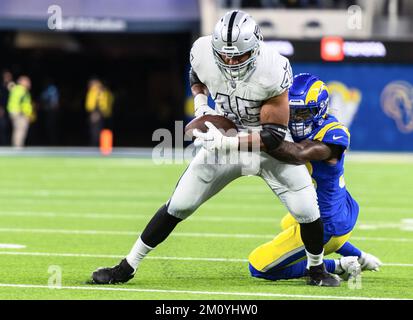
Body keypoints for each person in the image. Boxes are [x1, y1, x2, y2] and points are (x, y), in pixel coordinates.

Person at [91, 10, 339, 287]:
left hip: (263, 143)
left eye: (240, 56)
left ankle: (316, 269)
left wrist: (229, 141)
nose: (232, 62)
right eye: (225, 55)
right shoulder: (203, 51)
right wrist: (200, 105)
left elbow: (273, 136)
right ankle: (127, 266)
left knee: (307, 208)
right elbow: (196, 75)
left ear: (255, 48)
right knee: (179, 204)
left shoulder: (273, 68)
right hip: (223, 134)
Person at [248, 73, 382, 282]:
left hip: (329, 224)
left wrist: (253, 141)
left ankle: (335, 265)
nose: (296, 120)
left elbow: (298, 153)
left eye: (303, 113)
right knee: (289, 220)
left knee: (258, 265)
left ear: (319, 110)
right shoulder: (307, 125)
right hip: (336, 212)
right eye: (292, 113)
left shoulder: (333, 135)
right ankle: (358, 256)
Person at [85, 78, 114, 146]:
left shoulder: (97, 91)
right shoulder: (99, 90)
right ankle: (100, 146)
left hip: (98, 113)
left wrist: (96, 113)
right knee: (99, 131)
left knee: (96, 131)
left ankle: (96, 146)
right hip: (104, 113)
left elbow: (99, 103)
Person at [7, 75, 33, 148]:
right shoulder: (22, 90)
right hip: (20, 113)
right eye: (27, 81)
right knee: (20, 129)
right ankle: (18, 147)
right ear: (22, 82)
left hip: (14, 112)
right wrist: (26, 114)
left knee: (17, 129)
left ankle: (17, 146)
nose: (29, 83)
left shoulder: (16, 89)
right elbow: (22, 103)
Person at [0, 70, 14, 145]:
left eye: (9, 76)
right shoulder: (1, 87)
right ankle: (4, 144)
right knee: (3, 128)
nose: (7, 78)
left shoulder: (13, 86)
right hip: (3, 111)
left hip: (13, 111)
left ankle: (10, 144)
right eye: (6, 76)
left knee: (12, 128)